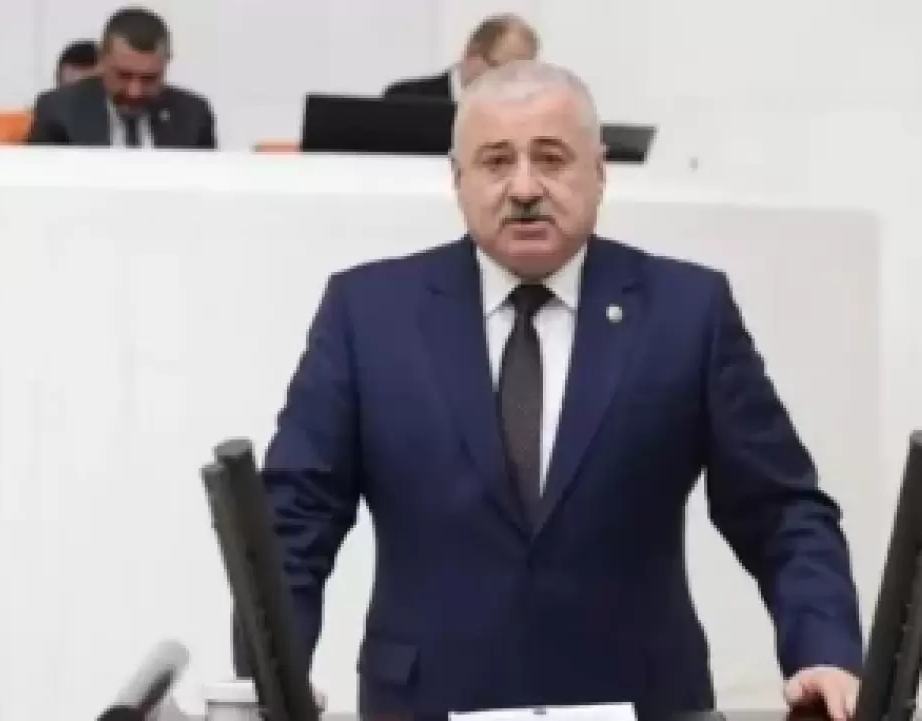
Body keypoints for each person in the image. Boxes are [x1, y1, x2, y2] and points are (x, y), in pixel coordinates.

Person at [256, 60, 863, 720]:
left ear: (599, 172)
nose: (524, 188)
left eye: (551, 158)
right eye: (495, 161)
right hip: (428, 702)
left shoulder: (689, 311)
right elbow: (294, 519)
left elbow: (781, 511)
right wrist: (273, 677)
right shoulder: (368, 313)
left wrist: (823, 652)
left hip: (643, 703)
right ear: (457, 179)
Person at [27, 6, 215, 148]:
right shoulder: (58, 112)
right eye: (123, 75)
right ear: (102, 60)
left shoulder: (194, 115)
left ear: (166, 63)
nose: (135, 92)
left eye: (149, 78)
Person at [382, 13, 538, 101]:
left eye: (517, 75)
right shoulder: (405, 99)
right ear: (471, 52)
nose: (508, 84)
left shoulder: (523, 117)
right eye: (500, 70)